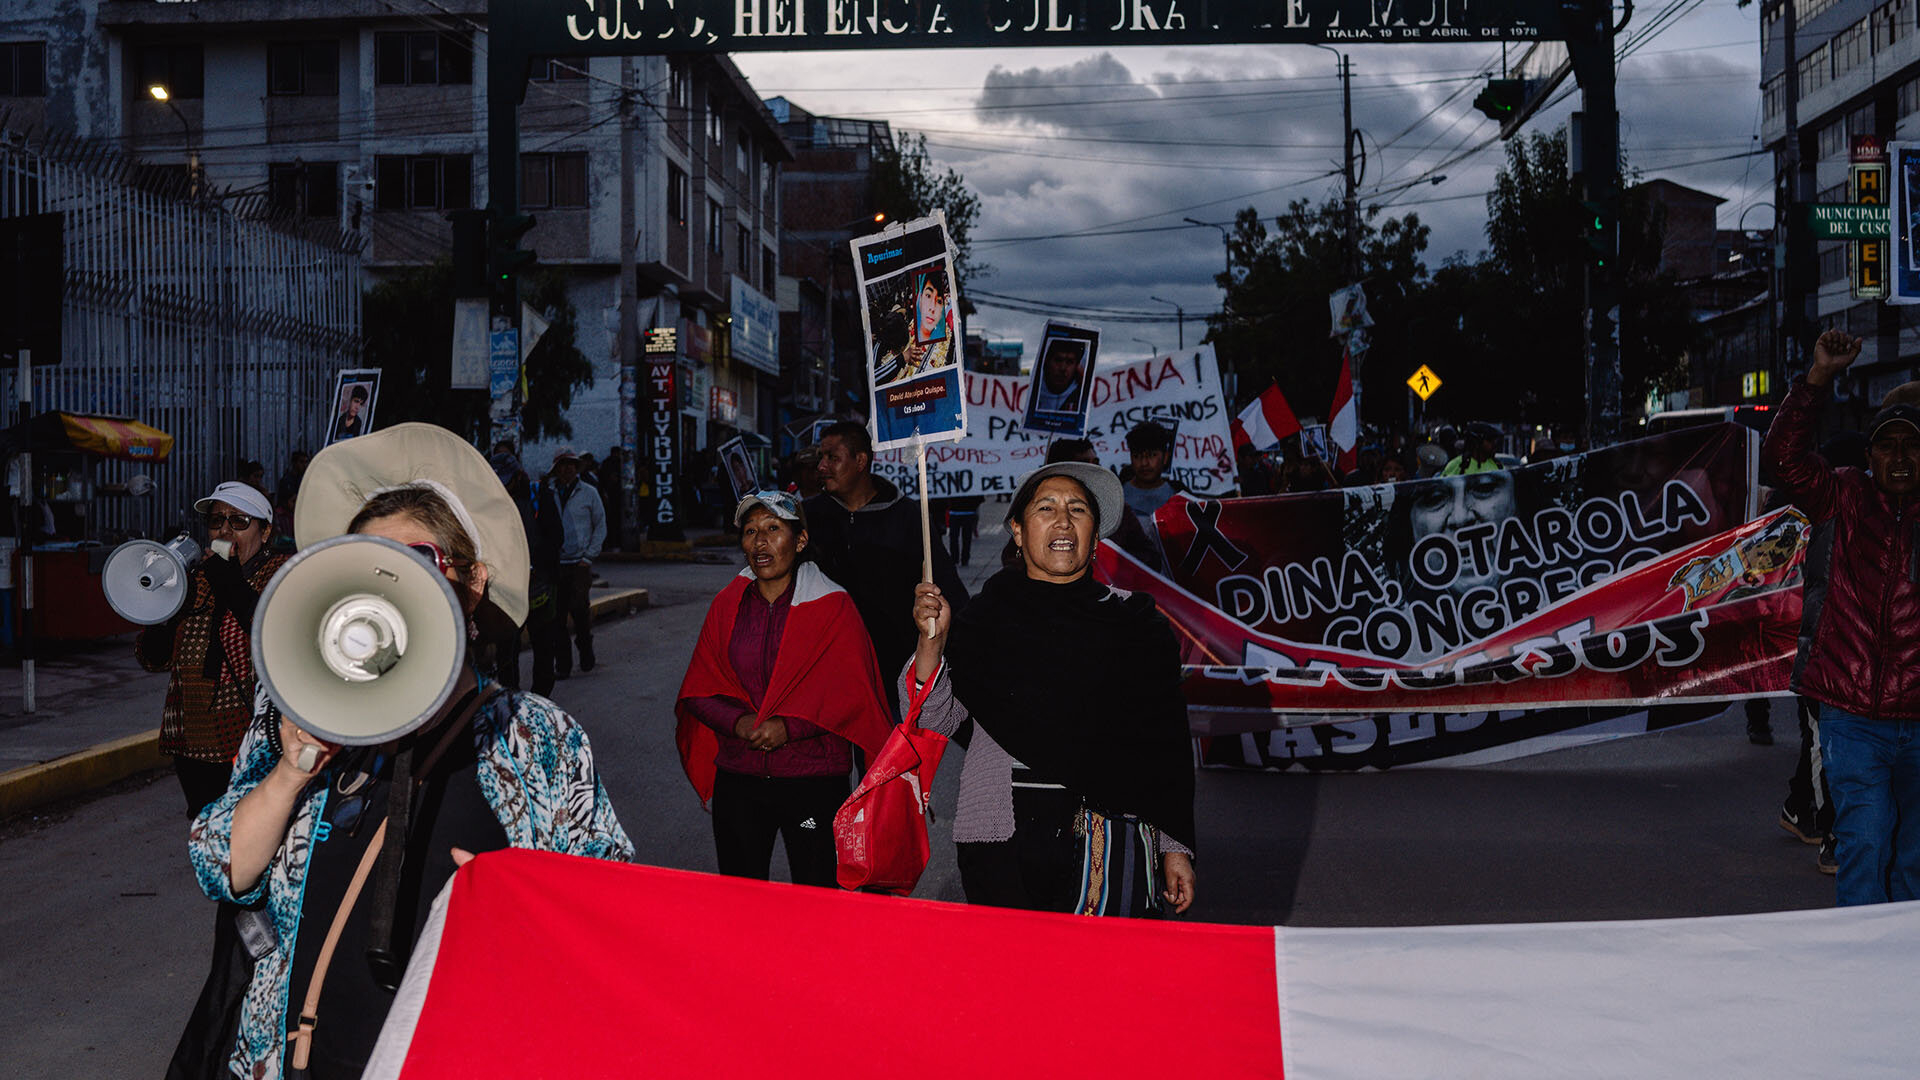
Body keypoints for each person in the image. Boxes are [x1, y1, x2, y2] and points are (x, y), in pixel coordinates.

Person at [187, 423, 632, 1080]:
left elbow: (606, 924)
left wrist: (513, 906)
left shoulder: (532, 737)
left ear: (472, 584)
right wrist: (288, 773)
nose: (388, 585)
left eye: (416, 562)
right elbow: (220, 870)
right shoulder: (297, 709)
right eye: (366, 563)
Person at [905, 461, 1196, 917]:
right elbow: (931, 718)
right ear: (1018, 532)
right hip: (1000, 840)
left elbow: (1167, 747)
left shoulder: (1137, 625)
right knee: (1011, 978)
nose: (1063, 520)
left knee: (1097, 979)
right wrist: (931, 643)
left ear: (1095, 537)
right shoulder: (981, 622)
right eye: (1047, 507)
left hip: (1109, 838)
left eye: (1078, 509)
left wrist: (1174, 847)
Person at [140, 481, 293, 1080]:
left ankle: (243, 977)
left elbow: (260, 636)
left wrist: (220, 576)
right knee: (224, 868)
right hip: (192, 744)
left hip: (244, 747)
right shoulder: (196, 579)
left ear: (263, 531)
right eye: (215, 521)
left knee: (245, 869)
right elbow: (154, 655)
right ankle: (243, 964)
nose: (223, 531)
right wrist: (157, 603)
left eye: (236, 521)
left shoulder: (277, 577)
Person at [1763, 328, 1920, 905]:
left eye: (1913, 446)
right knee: (1865, 842)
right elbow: (1781, 459)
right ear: (1869, 455)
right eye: (1887, 446)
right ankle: (1858, 981)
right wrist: (1818, 377)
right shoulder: (1846, 497)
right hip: (1854, 716)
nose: (1899, 458)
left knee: (1914, 863)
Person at [674, 491, 894, 885]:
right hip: (739, 781)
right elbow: (699, 689)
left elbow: (852, 695)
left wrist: (789, 728)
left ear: (800, 541)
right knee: (742, 898)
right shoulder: (727, 605)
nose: (759, 542)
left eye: (773, 529)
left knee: (816, 900)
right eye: (750, 531)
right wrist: (739, 723)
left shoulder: (834, 606)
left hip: (812, 784)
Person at [805, 420, 969, 687]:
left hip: (891, 671)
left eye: (833, 458)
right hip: (828, 669)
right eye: (820, 458)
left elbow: (947, 585)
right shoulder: (809, 516)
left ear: (860, 461)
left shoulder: (908, 516)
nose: (822, 467)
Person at [487, 449, 563, 696]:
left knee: (543, 644)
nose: (504, 486)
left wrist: (536, 569)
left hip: (539, 585)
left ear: (518, 475)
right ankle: (510, 698)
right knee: (507, 648)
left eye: (507, 480)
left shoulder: (539, 496)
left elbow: (556, 538)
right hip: (506, 589)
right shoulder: (491, 501)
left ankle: (541, 698)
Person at [549, 448, 605, 678]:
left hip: (579, 563)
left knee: (580, 612)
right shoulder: (548, 492)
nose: (567, 469)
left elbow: (600, 525)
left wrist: (588, 557)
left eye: (570, 464)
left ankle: (586, 652)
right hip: (556, 564)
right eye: (562, 465)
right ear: (556, 469)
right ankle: (563, 665)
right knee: (557, 617)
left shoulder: (589, 493)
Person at [1117, 420, 1186, 570]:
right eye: (1137, 456)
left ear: (1165, 457)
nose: (1144, 463)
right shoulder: (1117, 496)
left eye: (1152, 455)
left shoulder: (1179, 497)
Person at [1031, 340, 1088, 415]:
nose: (1063, 368)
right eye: (1058, 360)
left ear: (1077, 366)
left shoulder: (1081, 386)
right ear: (1046, 362)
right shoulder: (1033, 386)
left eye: (1070, 362)